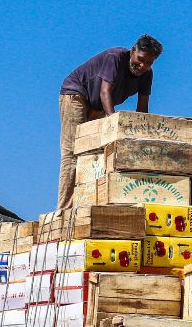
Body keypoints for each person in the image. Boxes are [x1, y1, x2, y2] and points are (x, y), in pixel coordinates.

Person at [57, 35, 163, 210]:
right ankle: (64, 210)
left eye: (148, 63)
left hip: (98, 105)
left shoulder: (146, 75)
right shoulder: (115, 58)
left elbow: (142, 109)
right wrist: (114, 123)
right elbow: (104, 91)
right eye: (140, 60)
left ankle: (86, 206)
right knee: (73, 153)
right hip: (76, 95)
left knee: (95, 154)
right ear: (132, 51)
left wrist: (143, 139)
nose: (142, 66)